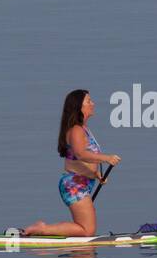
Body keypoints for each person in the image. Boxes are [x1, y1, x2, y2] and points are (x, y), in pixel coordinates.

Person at [22, 90, 121, 236]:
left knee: (85, 229)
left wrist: (97, 174)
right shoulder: (76, 130)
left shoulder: (84, 129)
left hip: (82, 184)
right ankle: (42, 229)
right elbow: (80, 154)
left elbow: (78, 160)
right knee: (87, 231)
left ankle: (46, 230)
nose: (93, 104)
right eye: (88, 101)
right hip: (74, 185)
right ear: (78, 107)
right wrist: (106, 158)